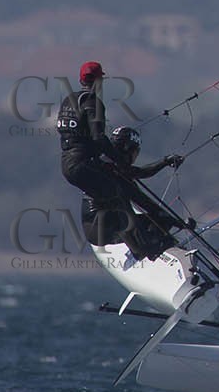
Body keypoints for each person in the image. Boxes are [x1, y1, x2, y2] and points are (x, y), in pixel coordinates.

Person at [57, 62, 183, 260]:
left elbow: (77, 135)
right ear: (99, 81)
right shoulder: (93, 102)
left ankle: (138, 245)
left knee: (115, 193)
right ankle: (141, 247)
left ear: (81, 79)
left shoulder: (69, 101)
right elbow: (98, 138)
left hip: (68, 164)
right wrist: (119, 161)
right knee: (118, 193)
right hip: (81, 164)